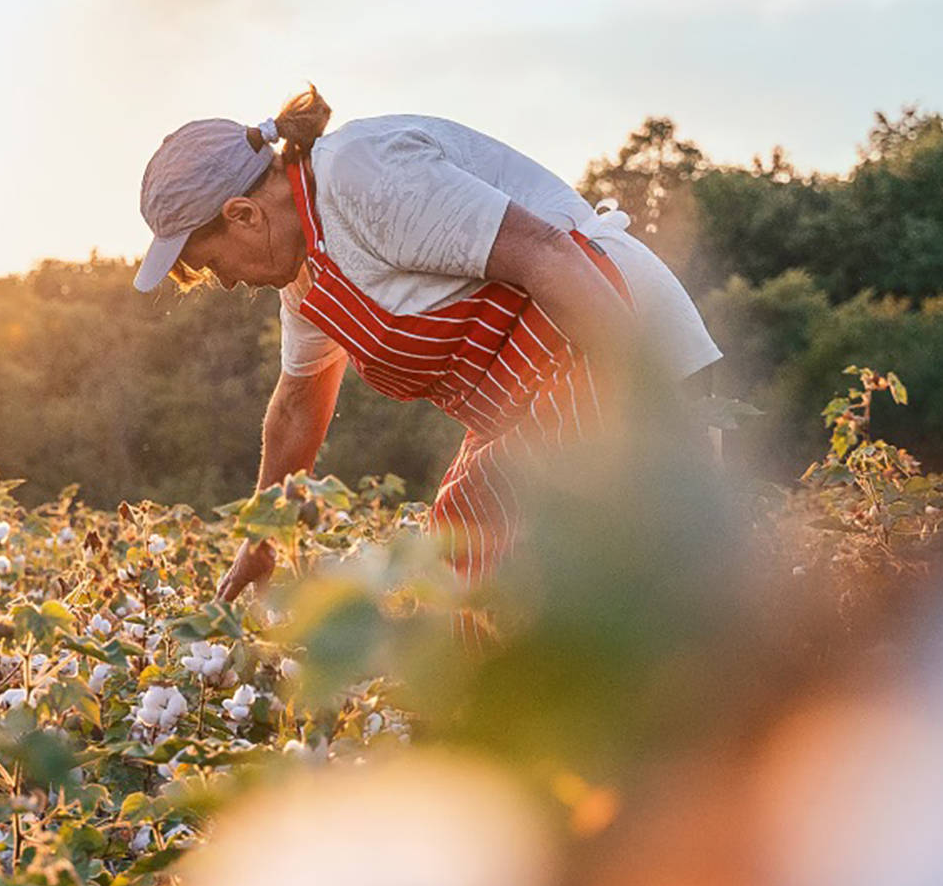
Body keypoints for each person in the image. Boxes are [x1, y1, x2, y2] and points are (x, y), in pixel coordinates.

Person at [132, 87, 721, 605]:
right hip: (538, 406)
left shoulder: (360, 174)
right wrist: (261, 542)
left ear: (243, 215)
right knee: (471, 572)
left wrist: (653, 411)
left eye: (211, 265)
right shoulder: (308, 277)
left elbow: (549, 255)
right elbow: (296, 409)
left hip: (617, 344)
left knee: (573, 599)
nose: (228, 283)